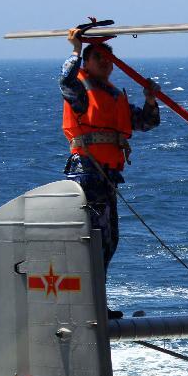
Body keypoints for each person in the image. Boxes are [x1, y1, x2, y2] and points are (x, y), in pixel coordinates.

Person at [60, 29, 161, 316]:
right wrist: (75, 49)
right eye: (99, 58)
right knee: (90, 239)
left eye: (109, 59)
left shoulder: (115, 95)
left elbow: (147, 123)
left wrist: (150, 99)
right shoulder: (81, 91)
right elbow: (65, 80)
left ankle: (96, 302)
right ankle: (87, 305)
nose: (106, 63)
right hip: (86, 172)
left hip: (108, 176)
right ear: (87, 62)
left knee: (108, 240)